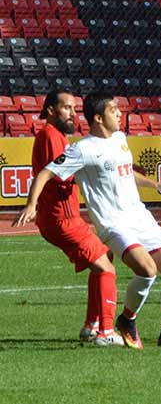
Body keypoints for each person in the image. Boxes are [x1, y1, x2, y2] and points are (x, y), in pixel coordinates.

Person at [14, 92, 161, 349]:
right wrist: (31, 205)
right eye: (113, 110)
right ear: (98, 118)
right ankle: (125, 321)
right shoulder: (82, 149)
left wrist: (156, 184)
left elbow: (126, 173)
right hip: (114, 223)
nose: (120, 114)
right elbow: (45, 172)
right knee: (147, 270)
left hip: (140, 216)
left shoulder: (120, 139)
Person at [26, 89, 122, 347]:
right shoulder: (50, 135)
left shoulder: (56, 136)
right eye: (67, 108)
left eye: (74, 109)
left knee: (105, 257)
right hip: (61, 218)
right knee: (106, 268)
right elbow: (58, 174)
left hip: (65, 217)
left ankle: (91, 326)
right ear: (50, 111)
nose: (73, 114)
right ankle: (106, 332)